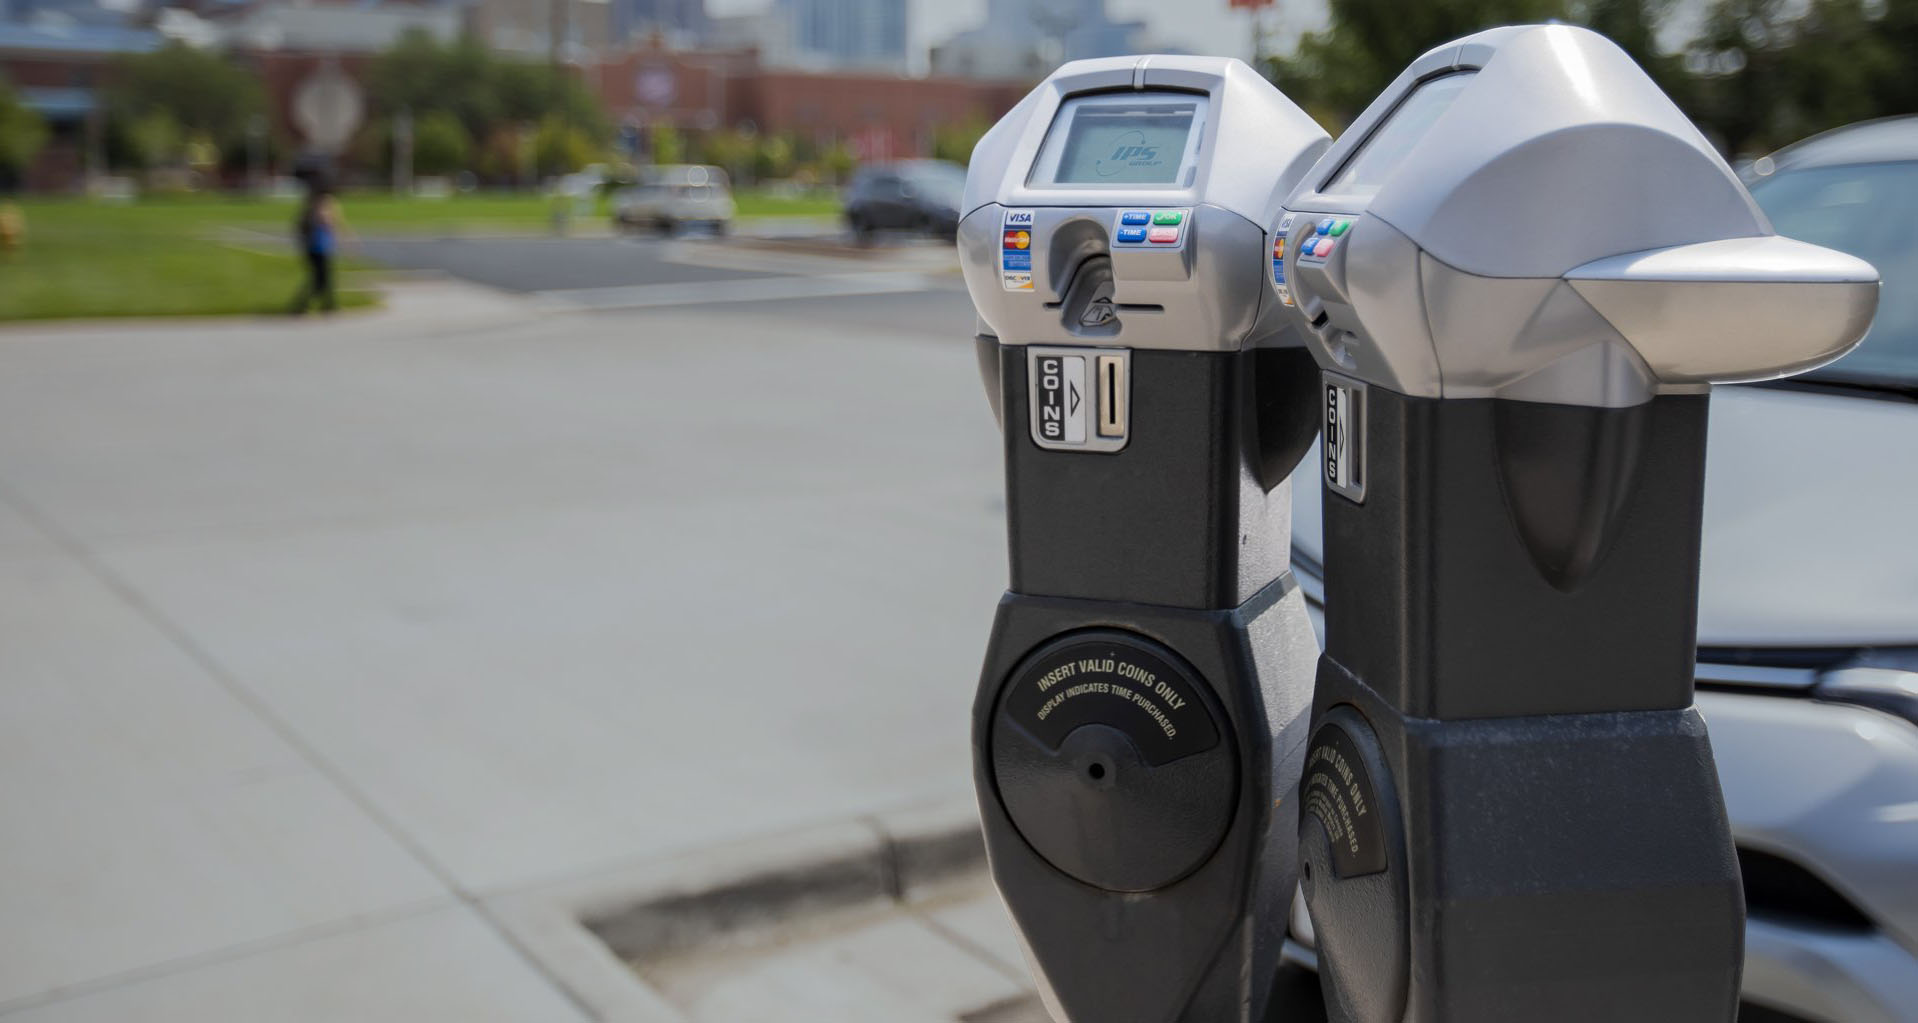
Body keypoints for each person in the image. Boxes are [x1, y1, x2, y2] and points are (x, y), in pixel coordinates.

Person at [290, 185, 346, 314]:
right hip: (317, 249)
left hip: (320, 249)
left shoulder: (311, 210)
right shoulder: (318, 211)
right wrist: (332, 214)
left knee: (325, 279)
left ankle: (329, 304)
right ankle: (302, 305)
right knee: (320, 280)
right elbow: (328, 223)